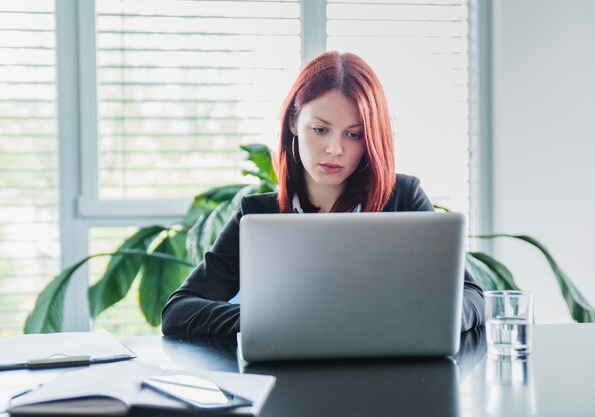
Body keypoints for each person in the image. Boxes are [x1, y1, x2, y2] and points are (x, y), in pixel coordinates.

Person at [162, 51, 485, 338]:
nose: (334, 149)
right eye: (320, 129)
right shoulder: (258, 215)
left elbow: (472, 297)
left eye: (354, 134)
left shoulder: (402, 198)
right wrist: (269, 321)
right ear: (293, 122)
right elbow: (179, 311)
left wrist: (429, 320)